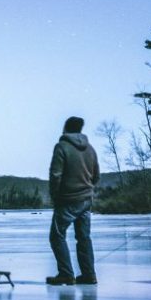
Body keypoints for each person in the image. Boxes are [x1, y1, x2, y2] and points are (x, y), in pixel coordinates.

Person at [46, 115, 100, 286]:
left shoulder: (61, 147)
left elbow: (55, 176)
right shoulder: (90, 149)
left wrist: (55, 197)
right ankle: (89, 275)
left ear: (65, 128)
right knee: (84, 238)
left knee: (57, 236)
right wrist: (87, 189)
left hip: (68, 200)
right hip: (86, 200)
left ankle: (66, 274)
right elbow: (96, 175)